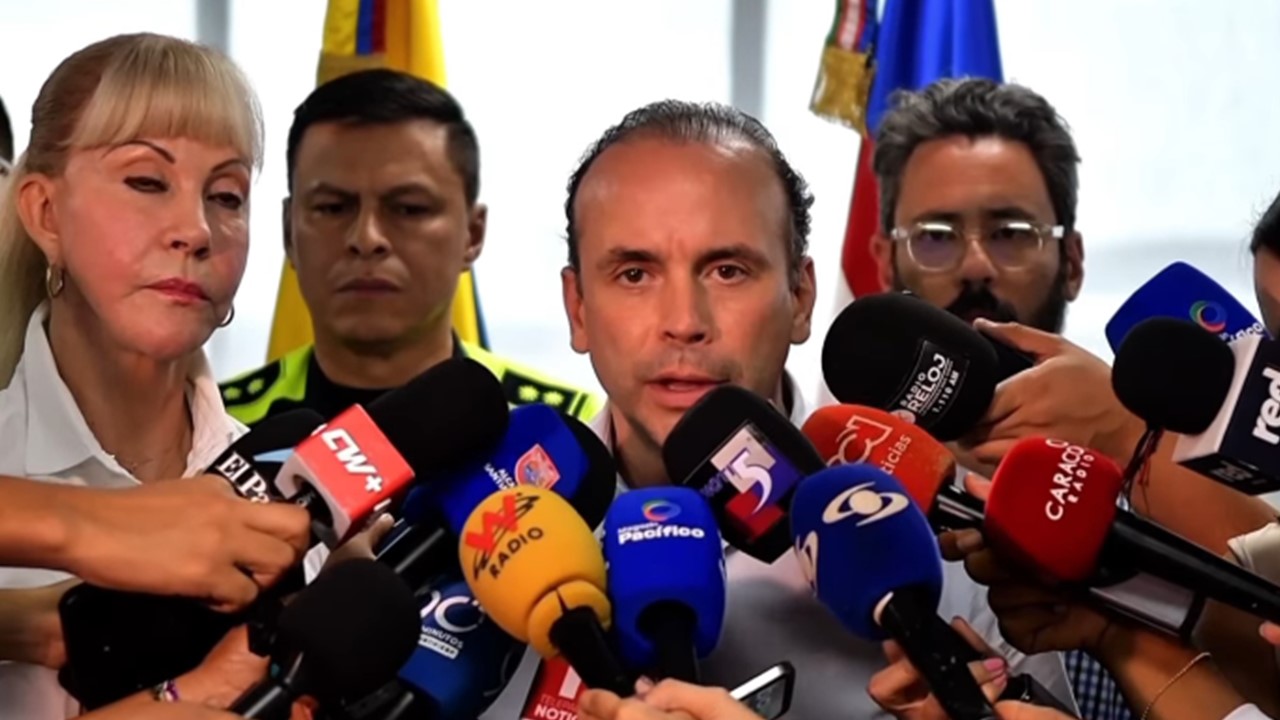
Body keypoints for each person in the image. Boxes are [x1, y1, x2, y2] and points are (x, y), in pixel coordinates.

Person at [479, 99, 1074, 720]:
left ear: (801, 297)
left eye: (728, 270)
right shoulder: (485, 542)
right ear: (577, 308)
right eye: (634, 274)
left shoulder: (947, 548)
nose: (684, 322)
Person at [865, 77, 1275, 720]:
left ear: (1074, 260)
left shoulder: (1212, 449)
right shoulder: (849, 508)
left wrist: (1127, 436)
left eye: (1011, 232)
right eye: (936, 235)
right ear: (885, 262)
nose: (975, 265)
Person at [0, 33, 311, 718]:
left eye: (226, 196)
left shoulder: (292, 507)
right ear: (45, 213)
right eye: (147, 181)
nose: (196, 230)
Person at [219, 69, 600, 427]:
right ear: (289, 232)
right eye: (333, 208)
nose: (366, 239)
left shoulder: (570, 432)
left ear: (472, 234)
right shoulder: (213, 429)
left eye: (409, 209)